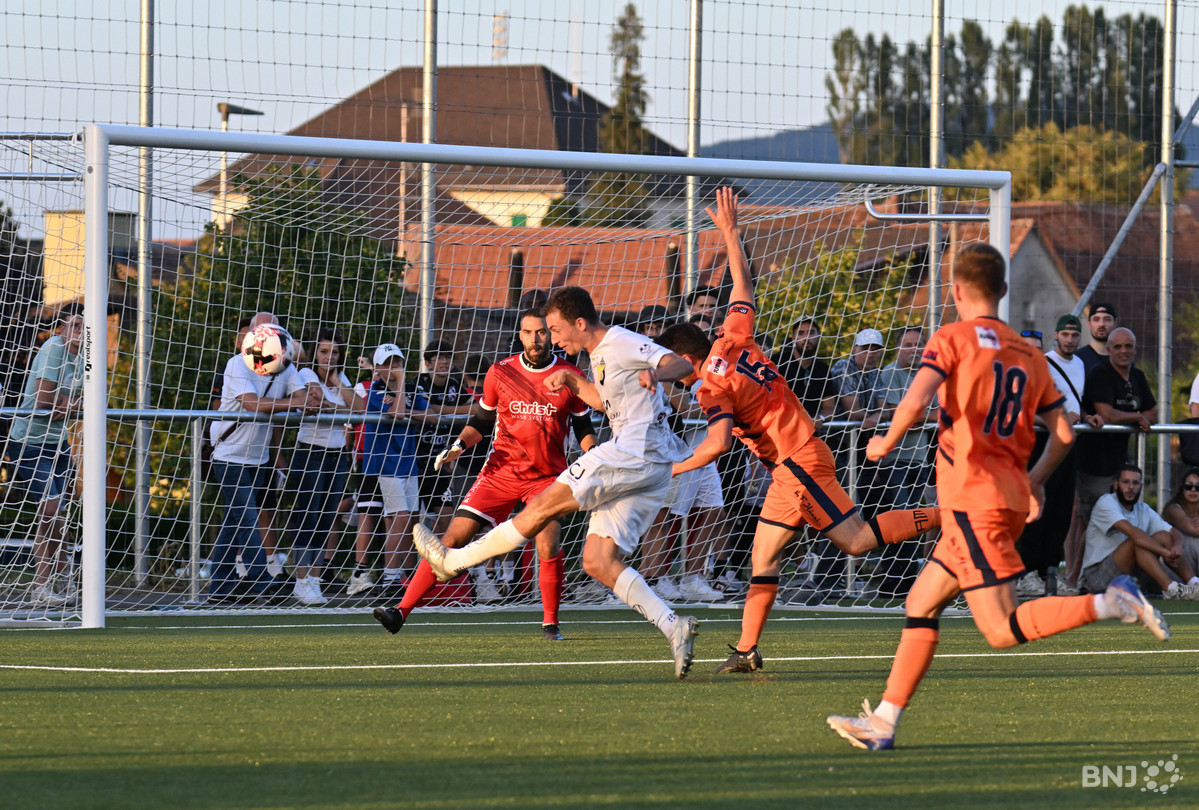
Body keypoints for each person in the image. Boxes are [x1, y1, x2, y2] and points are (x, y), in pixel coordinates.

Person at [826, 243, 1168, 752]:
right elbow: (1064, 432)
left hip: (973, 501)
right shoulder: (1028, 353)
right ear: (1004, 290)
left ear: (955, 292)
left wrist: (884, 441)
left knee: (1001, 628)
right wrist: (1036, 480)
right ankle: (883, 721)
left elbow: (916, 398)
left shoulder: (952, 337)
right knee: (921, 602)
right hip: (1002, 499)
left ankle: (1109, 602)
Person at [656, 188, 940, 675]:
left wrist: (673, 469)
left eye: (667, 363)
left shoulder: (712, 387)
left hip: (799, 464)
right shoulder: (732, 338)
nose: (666, 371)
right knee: (763, 558)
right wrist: (731, 233)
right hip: (789, 467)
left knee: (856, 541)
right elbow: (743, 288)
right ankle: (747, 650)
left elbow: (718, 443)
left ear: (684, 357)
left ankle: (955, 515)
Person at [411, 285, 701, 679]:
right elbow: (603, 402)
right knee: (598, 561)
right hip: (651, 466)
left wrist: (656, 372)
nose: (554, 339)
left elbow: (679, 365)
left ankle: (452, 562)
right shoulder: (596, 356)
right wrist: (570, 379)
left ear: (579, 323)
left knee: (541, 508)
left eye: (556, 330)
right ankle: (673, 625)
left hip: (633, 452)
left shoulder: (620, 341)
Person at [374, 308, 596, 639]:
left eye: (541, 332)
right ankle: (400, 611)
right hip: (499, 473)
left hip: (546, 478)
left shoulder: (569, 375)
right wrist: (458, 446)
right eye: (528, 333)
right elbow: (480, 422)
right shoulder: (501, 372)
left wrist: (594, 457)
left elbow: (583, 426)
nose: (535, 339)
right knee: (452, 539)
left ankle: (551, 624)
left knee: (548, 543)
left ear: (550, 334)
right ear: (520, 335)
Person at [208, 312, 317, 603]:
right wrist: (293, 402)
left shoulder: (285, 366)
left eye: (274, 330)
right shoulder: (237, 364)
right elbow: (253, 404)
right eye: (261, 330)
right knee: (247, 519)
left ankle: (218, 586)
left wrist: (307, 397)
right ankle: (262, 580)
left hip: (259, 456)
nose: (269, 335)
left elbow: (305, 400)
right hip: (229, 454)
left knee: (234, 522)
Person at [1016, 314, 1101, 596]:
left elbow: (1075, 402)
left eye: (1074, 335)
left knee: (1062, 511)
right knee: (1037, 507)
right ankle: (1026, 573)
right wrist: (1060, 418)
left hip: (1066, 443)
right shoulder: (1037, 365)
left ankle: (1049, 572)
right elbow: (1026, 408)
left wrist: (1087, 416)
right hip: (1040, 443)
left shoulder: (1079, 364)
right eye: (1065, 334)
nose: (1070, 339)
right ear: (1056, 336)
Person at [8, 303, 85, 605]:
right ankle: (44, 584)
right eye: (75, 325)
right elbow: (42, 400)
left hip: (59, 443)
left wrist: (68, 403)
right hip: (29, 441)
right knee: (51, 511)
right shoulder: (54, 348)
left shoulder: (88, 355)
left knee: (56, 515)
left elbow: (89, 399)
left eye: (85, 326)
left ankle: (58, 579)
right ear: (62, 329)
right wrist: (67, 403)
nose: (81, 331)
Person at [288, 327, 361, 605]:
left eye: (335, 352)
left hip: (337, 454)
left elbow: (360, 408)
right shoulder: (305, 374)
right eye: (324, 351)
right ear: (314, 353)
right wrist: (341, 408)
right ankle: (301, 579)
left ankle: (315, 580)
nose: (330, 357)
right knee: (308, 516)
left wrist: (336, 381)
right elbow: (317, 403)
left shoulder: (341, 378)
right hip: (310, 452)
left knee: (327, 518)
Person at [348, 344, 428, 596]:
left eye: (398, 362)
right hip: (385, 464)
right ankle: (389, 577)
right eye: (388, 363)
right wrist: (402, 388)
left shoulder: (411, 390)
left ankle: (404, 575)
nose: (394, 367)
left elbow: (431, 415)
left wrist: (409, 407)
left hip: (408, 463)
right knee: (398, 517)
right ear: (378, 368)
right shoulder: (375, 391)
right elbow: (398, 413)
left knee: (410, 520)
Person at [869, 326, 937, 596]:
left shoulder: (930, 375)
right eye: (908, 345)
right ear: (898, 348)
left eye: (918, 345)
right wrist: (917, 414)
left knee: (914, 518)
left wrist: (915, 414)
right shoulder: (889, 374)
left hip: (919, 458)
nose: (914, 350)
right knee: (901, 515)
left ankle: (903, 578)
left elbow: (939, 413)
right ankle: (894, 579)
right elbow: (892, 412)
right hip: (893, 458)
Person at [1075, 326, 1155, 532]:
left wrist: (1138, 418)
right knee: (1096, 524)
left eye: (1128, 346)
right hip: (1094, 464)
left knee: (1121, 523)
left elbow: (1153, 414)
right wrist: (1137, 417)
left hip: (1120, 462)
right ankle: (1080, 557)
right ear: (1108, 349)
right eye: (1118, 346)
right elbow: (1107, 414)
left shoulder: (1137, 376)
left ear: (1135, 349)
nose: (1123, 351)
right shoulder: (1099, 373)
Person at [1079, 463, 1199, 599]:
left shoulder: (1143, 508)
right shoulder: (1106, 502)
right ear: (1116, 484)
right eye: (1126, 482)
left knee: (1163, 536)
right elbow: (1135, 535)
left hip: (1130, 575)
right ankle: (1171, 589)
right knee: (1137, 541)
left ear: (1141, 486)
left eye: (1135, 483)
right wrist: (1166, 552)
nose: (1130, 487)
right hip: (1098, 578)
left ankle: (1194, 583)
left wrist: (1177, 546)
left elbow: (1174, 533)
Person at [412, 340, 475, 533]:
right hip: (416, 463)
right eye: (439, 357)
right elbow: (429, 409)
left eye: (448, 357)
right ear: (428, 363)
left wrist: (443, 411)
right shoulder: (419, 383)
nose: (445, 361)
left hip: (440, 463)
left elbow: (475, 408)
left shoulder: (454, 385)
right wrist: (452, 410)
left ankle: (440, 553)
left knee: (446, 520)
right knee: (412, 523)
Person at [771, 318, 836, 424]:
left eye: (811, 332)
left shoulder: (823, 370)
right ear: (793, 338)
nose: (806, 338)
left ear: (818, 336)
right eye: (801, 333)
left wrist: (820, 418)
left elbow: (829, 408)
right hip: (779, 426)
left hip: (811, 430)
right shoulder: (776, 363)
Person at [1162, 467, 1199, 575]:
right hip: (1176, 568)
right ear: (1182, 488)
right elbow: (1195, 530)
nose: (1193, 490)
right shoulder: (1174, 509)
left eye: (1198, 487)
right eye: (1188, 485)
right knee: (1195, 541)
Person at [1074, 302, 1115, 374]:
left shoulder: (1122, 358)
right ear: (1089, 323)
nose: (1101, 324)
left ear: (1115, 323)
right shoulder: (1077, 359)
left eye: (1107, 319)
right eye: (1096, 319)